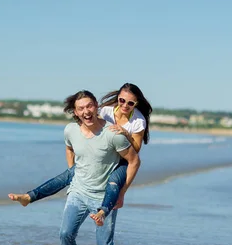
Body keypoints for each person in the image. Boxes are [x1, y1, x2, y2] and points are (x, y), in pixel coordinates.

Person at [8, 83, 152, 225]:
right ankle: (29, 197)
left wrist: (125, 132)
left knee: (113, 181)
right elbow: (89, 123)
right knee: (69, 174)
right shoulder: (106, 111)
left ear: (136, 103)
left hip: (121, 161)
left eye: (130, 103)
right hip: (102, 156)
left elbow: (136, 150)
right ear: (118, 98)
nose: (125, 105)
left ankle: (102, 212)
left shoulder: (138, 120)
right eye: (122, 100)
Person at [57, 90, 140, 245]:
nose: (86, 111)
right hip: (78, 193)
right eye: (81, 108)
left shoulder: (112, 133)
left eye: (89, 106)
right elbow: (69, 148)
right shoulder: (70, 130)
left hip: (104, 196)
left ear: (97, 107)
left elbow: (134, 160)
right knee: (65, 234)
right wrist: (73, 173)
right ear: (75, 112)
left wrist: (121, 193)